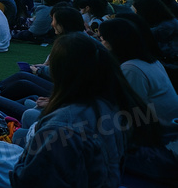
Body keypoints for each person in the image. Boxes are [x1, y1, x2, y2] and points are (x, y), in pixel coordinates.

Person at [10, 33, 161, 187]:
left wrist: (23, 158)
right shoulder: (113, 103)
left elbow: (30, 181)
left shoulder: (62, 127)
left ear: (59, 70)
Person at [99, 18, 178, 183]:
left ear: (113, 42)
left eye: (102, 38)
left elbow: (129, 113)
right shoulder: (150, 61)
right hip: (162, 129)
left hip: (158, 136)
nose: (101, 42)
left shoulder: (131, 69)